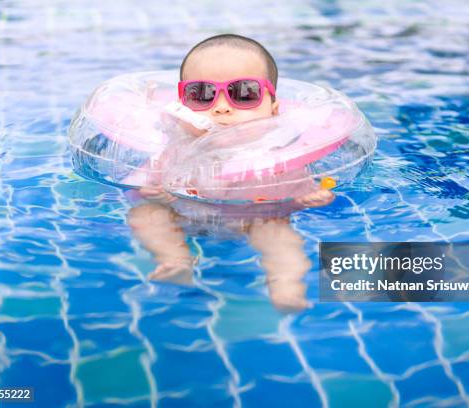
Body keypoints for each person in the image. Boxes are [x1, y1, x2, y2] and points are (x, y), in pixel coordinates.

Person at [128, 34, 334, 311]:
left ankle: (286, 285)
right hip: (183, 213)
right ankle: (174, 260)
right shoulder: (176, 145)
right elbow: (141, 183)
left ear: (274, 110)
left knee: (277, 233)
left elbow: (302, 189)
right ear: (182, 104)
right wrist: (149, 191)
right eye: (202, 93)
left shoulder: (275, 155)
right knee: (146, 214)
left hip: (252, 218)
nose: (221, 106)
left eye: (244, 93)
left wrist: (310, 197)